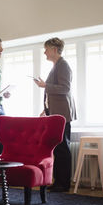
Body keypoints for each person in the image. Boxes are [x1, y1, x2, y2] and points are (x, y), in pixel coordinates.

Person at [34, 37, 77, 192]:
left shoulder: (63, 65)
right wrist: (46, 111)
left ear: (53, 49)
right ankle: (59, 181)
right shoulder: (56, 66)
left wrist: (46, 85)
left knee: (62, 148)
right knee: (58, 148)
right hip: (55, 113)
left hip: (62, 114)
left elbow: (65, 88)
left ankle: (63, 183)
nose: (44, 52)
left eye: (46, 49)